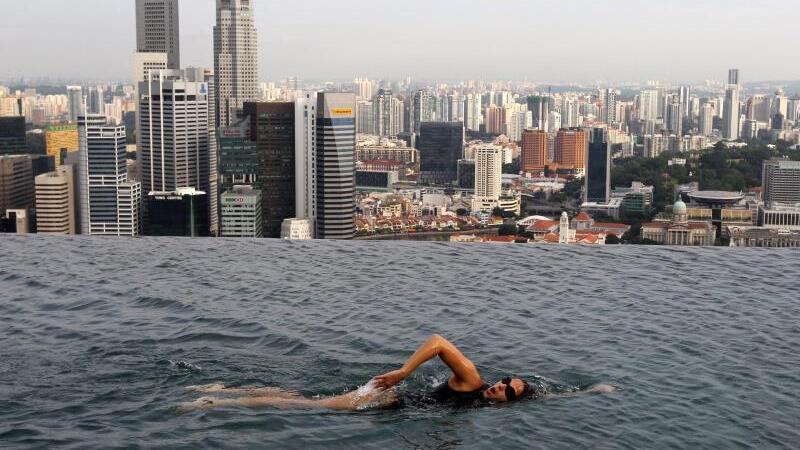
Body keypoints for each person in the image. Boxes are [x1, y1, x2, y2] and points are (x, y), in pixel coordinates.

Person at [180, 334, 615, 412]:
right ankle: (214, 401)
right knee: (301, 406)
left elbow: (549, 397)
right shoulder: (473, 380)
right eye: (505, 381)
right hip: (384, 396)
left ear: (510, 403)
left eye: (508, 391)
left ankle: (222, 388)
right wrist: (405, 372)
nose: (500, 386)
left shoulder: (489, 406)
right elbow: (439, 341)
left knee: (298, 396)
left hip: (387, 401)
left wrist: (593, 391)